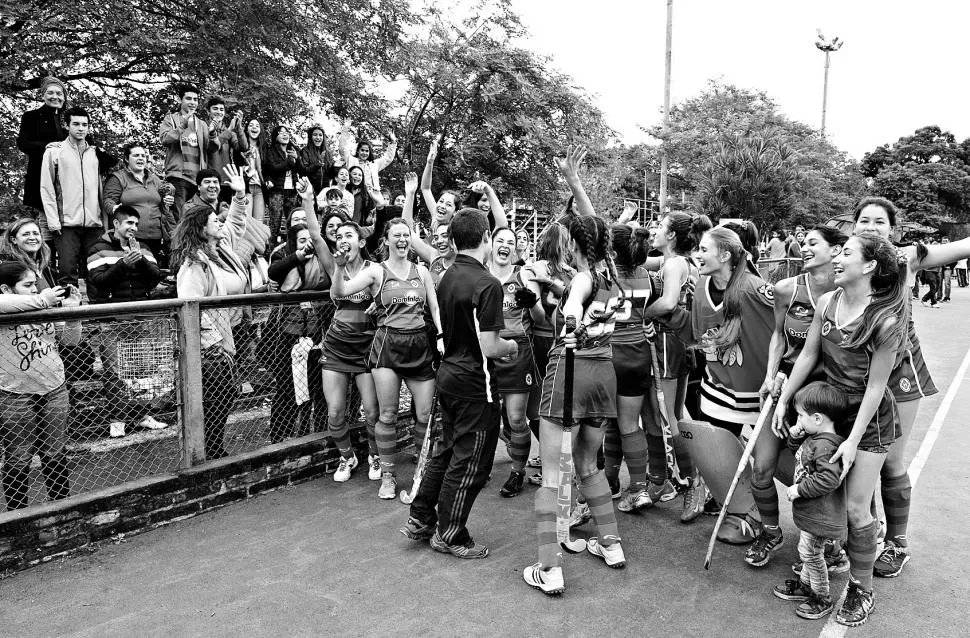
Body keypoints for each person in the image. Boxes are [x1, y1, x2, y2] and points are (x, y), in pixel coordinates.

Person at [774, 233, 908, 627]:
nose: (837, 257)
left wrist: (851, 440)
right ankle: (820, 568)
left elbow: (876, 387)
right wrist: (785, 399)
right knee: (825, 490)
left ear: (868, 266)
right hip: (832, 410)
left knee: (854, 507)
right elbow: (810, 353)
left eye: (846, 252)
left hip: (869, 422)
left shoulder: (884, 318)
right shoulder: (828, 302)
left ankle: (860, 589)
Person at [399, 208, 516, 558]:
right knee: (472, 462)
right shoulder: (488, 283)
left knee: (447, 450)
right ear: (486, 238)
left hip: (449, 375)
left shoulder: (447, 275)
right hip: (475, 383)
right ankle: (450, 534)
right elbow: (490, 345)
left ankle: (421, 517)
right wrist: (510, 346)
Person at [755, 225, 851, 571]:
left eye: (814, 244)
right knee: (762, 466)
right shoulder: (786, 288)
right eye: (805, 243)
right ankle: (770, 531)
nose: (805, 249)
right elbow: (778, 338)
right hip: (785, 387)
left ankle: (832, 543)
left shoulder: (847, 291)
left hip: (825, 399)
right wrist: (770, 378)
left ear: (836, 250)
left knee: (823, 468)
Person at [329, 218, 442, 500]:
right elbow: (340, 292)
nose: (402, 239)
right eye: (396, 235)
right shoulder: (377, 272)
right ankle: (389, 477)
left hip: (419, 345)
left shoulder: (423, 271)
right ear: (387, 241)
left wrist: (441, 336)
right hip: (387, 345)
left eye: (407, 234)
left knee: (425, 414)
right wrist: (340, 267)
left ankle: (423, 471)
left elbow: (435, 309)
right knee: (387, 414)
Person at [678, 227, 775, 545]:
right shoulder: (703, 284)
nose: (698, 254)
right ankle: (735, 510)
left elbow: (782, 333)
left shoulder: (755, 290)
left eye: (704, 249)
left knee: (763, 463)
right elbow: (696, 332)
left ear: (725, 255)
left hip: (754, 395)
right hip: (716, 388)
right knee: (720, 453)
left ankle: (759, 518)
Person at [294, 178, 381, 482]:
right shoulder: (334, 267)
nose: (343, 238)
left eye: (349, 234)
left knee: (371, 413)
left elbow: (390, 295)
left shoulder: (374, 271)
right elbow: (316, 236)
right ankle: (347, 457)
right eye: (340, 235)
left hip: (367, 349)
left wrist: (379, 305)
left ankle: (374, 454)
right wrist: (307, 201)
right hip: (336, 347)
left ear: (361, 241)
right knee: (334, 413)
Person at [171, 165, 251, 459]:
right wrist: (212, 343)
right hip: (210, 347)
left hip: (228, 334)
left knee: (224, 397)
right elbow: (189, 308)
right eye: (214, 219)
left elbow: (236, 223)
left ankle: (214, 447)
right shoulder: (194, 264)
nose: (220, 221)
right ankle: (206, 451)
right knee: (216, 397)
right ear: (200, 227)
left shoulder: (220, 249)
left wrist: (241, 195)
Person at [643, 211, 710, 521]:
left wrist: (642, 315)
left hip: (669, 342)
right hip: (680, 342)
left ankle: (695, 481)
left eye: (659, 227)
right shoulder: (679, 261)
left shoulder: (672, 264)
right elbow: (637, 262)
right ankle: (689, 478)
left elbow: (669, 303)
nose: (654, 231)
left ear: (671, 236)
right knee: (677, 413)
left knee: (668, 416)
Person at [0, 261, 82, 510]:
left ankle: (61, 508)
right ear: (6, 288)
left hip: (54, 388)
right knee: (18, 456)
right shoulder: (13, 305)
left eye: (36, 284)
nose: (36, 290)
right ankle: (18, 516)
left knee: (55, 452)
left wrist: (71, 313)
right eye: (28, 285)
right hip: (15, 393)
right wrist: (44, 299)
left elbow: (70, 341)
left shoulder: (42, 305)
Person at [85, 205, 167, 437]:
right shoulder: (97, 248)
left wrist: (139, 261)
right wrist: (123, 264)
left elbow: (155, 278)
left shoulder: (143, 247)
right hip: (112, 321)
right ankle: (117, 419)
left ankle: (142, 415)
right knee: (114, 371)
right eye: (129, 223)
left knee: (142, 371)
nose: (133, 227)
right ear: (116, 224)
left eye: (135, 223)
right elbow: (99, 281)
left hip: (140, 319)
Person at [772, 381, 849, 621]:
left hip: (821, 515)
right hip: (814, 514)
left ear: (817, 418)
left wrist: (799, 489)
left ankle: (820, 597)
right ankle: (806, 586)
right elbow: (804, 455)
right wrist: (797, 437)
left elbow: (828, 479)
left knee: (810, 553)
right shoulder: (816, 438)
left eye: (801, 416)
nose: (799, 419)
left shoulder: (827, 446)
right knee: (808, 551)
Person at [488, 226, 543, 498]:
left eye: (511, 242)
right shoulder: (480, 276)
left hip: (518, 350)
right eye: (500, 240)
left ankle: (517, 472)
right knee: (485, 418)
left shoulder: (523, 276)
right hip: (485, 352)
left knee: (516, 419)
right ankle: (480, 466)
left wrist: (532, 303)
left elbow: (541, 317)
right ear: (490, 243)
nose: (506, 246)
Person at [39, 105, 112, 287]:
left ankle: (99, 314)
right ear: (67, 126)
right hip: (66, 224)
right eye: (76, 124)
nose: (81, 128)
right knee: (67, 271)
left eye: (85, 124)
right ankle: (70, 313)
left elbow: (101, 188)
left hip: (94, 224)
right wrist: (53, 221)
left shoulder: (95, 154)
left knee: (96, 269)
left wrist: (104, 222)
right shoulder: (54, 152)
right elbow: (47, 189)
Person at [102, 142, 177, 264]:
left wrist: (168, 199)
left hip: (155, 235)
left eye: (143, 156)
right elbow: (108, 200)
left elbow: (164, 198)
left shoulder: (154, 179)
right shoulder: (118, 177)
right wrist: (114, 208)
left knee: (151, 272)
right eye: (136, 155)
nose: (141, 158)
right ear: (126, 159)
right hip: (130, 235)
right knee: (133, 273)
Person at [159, 84, 215, 218]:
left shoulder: (201, 124)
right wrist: (183, 124)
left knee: (196, 218)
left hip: (198, 179)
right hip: (179, 176)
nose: (192, 102)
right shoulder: (171, 119)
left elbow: (211, 149)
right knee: (179, 216)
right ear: (180, 100)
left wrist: (212, 134)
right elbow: (165, 139)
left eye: (195, 99)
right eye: (188, 99)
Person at [17, 76, 68, 216]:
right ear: (43, 95)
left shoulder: (71, 119)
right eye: (50, 93)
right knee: (46, 219)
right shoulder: (31, 116)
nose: (55, 97)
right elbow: (23, 143)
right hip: (41, 175)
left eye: (59, 93)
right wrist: (47, 146)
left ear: (64, 97)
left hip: (68, 178)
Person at [262, 125, 304, 241]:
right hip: (277, 190)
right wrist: (290, 161)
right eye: (281, 133)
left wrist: (298, 159)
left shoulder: (294, 150)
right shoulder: (271, 151)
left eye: (287, 132)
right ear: (275, 137)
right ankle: (271, 250)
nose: (285, 134)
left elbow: (302, 170)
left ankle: (292, 248)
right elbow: (272, 168)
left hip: (292, 191)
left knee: (292, 222)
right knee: (275, 223)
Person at [204, 97, 248, 201]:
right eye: (215, 109)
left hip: (226, 180)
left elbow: (243, 147)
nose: (218, 112)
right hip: (208, 178)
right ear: (208, 111)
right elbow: (212, 147)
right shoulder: (204, 127)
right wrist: (229, 130)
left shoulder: (228, 131)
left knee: (224, 214)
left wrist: (239, 128)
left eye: (221, 109)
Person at [340, 126, 396, 192]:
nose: (364, 153)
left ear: (369, 152)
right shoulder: (351, 160)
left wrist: (392, 141)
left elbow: (388, 158)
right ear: (358, 151)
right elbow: (343, 149)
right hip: (353, 193)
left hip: (371, 194)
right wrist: (345, 130)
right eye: (362, 150)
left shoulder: (374, 164)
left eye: (367, 151)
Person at [240, 118, 267, 222]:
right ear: (247, 129)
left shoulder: (264, 149)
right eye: (251, 125)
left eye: (257, 125)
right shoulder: (241, 147)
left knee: (259, 222)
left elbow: (267, 168)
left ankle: (258, 239)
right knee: (247, 221)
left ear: (260, 130)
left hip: (260, 188)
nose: (254, 127)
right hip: (247, 187)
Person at [300, 126, 335, 195]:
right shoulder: (305, 151)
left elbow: (330, 174)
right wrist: (318, 164)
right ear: (310, 137)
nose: (318, 137)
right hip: (309, 191)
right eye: (315, 135)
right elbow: (304, 171)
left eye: (320, 135)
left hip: (324, 191)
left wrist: (336, 167)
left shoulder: (327, 153)